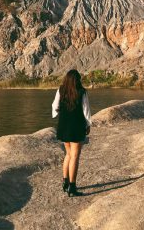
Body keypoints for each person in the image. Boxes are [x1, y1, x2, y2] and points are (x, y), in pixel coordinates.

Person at [52, 69, 92, 197]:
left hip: (64, 125)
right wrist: (88, 125)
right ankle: (72, 187)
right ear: (77, 80)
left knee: (68, 154)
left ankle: (65, 182)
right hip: (77, 126)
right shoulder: (82, 92)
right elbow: (86, 110)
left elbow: (55, 106)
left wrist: (61, 113)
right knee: (75, 156)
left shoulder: (61, 90)